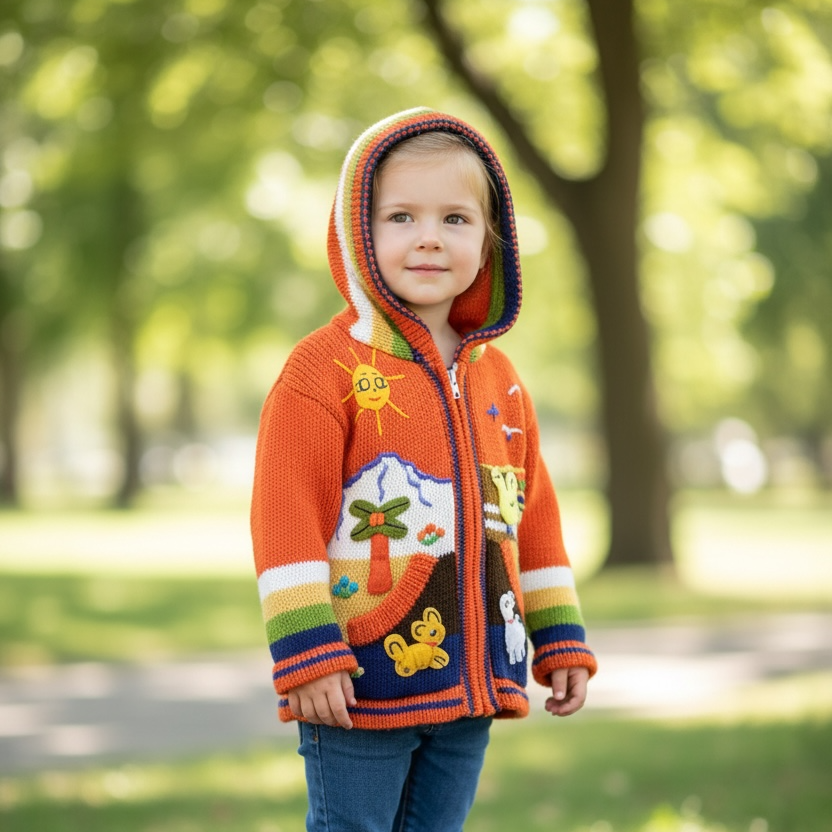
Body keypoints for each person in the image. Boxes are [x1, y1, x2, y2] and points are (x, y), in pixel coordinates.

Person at [250, 107, 597, 832]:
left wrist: (559, 634)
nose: (430, 238)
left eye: (456, 219)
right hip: (356, 682)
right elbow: (285, 516)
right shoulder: (325, 370)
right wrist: (308, 653)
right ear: (358, 233)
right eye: (401, 217)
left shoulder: (498, 379)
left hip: (472, 682)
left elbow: (531, 518)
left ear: (490, 240)